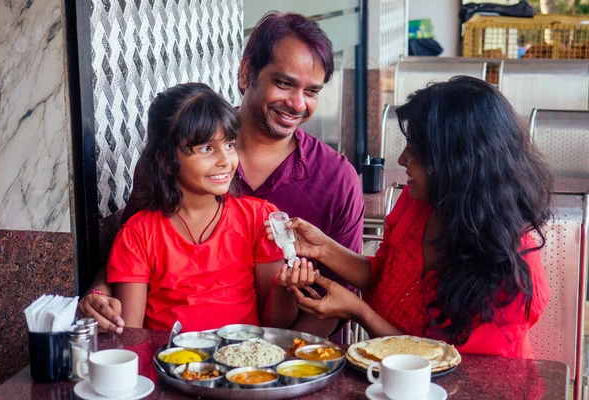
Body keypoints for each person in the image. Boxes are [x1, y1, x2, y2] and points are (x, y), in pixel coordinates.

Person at [79, 12, 364, 338]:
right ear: (246, 73)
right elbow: (130, 254)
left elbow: (340, 299)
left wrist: (272, 366)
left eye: (312, 91)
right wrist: (99, 293)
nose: (297, 104)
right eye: (284, 83)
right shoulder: (171, 159)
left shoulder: (337, 179)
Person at [270, 76, 552, 357]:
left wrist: (359, 312)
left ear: (459, 162)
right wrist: (322, 248)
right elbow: (385, 276)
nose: (402, 159)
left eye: (416, 150)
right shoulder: (418, 201)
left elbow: (448, 365)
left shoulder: (513, 266)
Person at [107, 82, 315, 331]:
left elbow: (274, 324)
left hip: (244, 364)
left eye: (229, 145)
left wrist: (284, 287)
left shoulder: (260, 219)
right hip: (171, 364)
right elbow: (130, 334)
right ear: (166, 160)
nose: (225, 160)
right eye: (206, 148)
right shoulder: (138, 234)